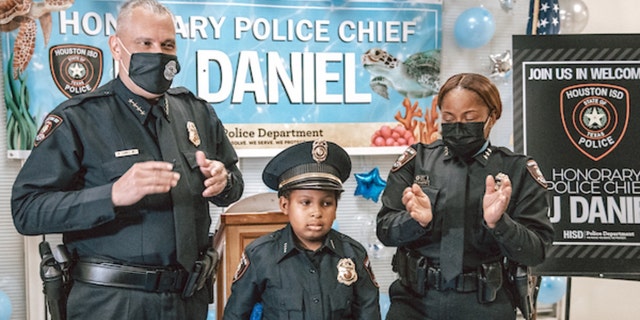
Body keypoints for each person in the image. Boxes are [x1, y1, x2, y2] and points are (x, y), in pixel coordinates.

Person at [11, 0, 244, 319]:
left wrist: (224, 181)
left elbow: (234, 184)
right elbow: (27, 211)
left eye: (167, 44)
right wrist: (111, 196)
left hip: (188, 300)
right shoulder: (79, 119)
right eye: (144, 43)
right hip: (111, 304)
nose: (158, 53)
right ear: (116, 47)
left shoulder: (196, 112)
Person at [376, 73, 554, 320]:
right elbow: (385, 230)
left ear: (492, 116)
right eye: (449, 118)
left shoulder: (518, 169)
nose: (458, 126)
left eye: (469, 118)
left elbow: (536, 251)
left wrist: (499, 224)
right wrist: (415, 221)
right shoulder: (416, 160)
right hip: (415, 303)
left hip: (485, 305)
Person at [223, 139, 382, 320]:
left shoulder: (353, 254)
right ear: (284, 205)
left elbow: (369, 314)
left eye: (326, 203)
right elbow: (235, 315)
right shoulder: (260, 255)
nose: (316, 212)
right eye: (305, 203)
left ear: (336, 207)